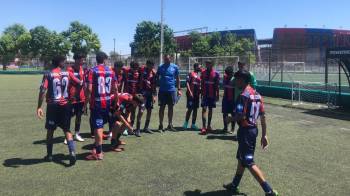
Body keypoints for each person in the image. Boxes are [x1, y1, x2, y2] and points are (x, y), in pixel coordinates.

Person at [223, 70, 278, 196]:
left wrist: (229, 119)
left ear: (243, 80)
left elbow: (241, 116)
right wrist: (264, 134)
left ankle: (268, 191)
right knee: (241, 159)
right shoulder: (258, 95)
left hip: (246, 132)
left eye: (237, 79)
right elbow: (263, 117)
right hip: (254, 130)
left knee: (248, 161)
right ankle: (234, 185)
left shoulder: (243, 96)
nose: (236, 81)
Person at [36, 55, 82, 165]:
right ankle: (72, 153)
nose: (66, 63)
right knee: (67, 129)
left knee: (50, 130)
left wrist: (39, 107)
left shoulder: (48, 74)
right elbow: (80, 83)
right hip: (66, 104)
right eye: (64, 61)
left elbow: (43, 90)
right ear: (60, 62)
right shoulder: (68, 73)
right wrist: (74, 96)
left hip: (53, 106)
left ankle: (49, 155)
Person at [85, 51, 118, 160]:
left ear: (97, 59)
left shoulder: (92, 71)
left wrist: (86, 103)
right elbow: (115, 89)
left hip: (97, 102)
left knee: (98, 126)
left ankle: (99, 153)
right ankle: (98, 146)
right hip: (108, 101)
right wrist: (116, 101)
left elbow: (89, 89)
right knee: (101, 125)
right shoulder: (111, 71)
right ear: (104, 60)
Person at [156, 54, 182, 132]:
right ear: (164, 59)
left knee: (171, 107)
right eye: (165, 59)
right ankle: (160, 125)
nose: (166, 60)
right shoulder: (160, 67)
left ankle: (170, 125)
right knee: (162, 108)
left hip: (171, 90)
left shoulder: (175, 67)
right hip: (162, 91)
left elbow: (177, 78)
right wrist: (158, 83)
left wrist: (179, 89)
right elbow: (157, 76)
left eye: (168, 59)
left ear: (170, 59)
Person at [65, 53, 86, 143]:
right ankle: (67, 135)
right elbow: (72, 78)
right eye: (82, 60)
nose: (83, 61)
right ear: (77, 60)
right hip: (71, 97)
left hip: (81, 97)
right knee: (68, 116)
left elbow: (84, 81)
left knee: (79, 116)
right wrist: (80, 82)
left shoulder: (82, 69)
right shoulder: (70, 69)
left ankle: (77, 134)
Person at [122, 61, 143, 137]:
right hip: (128, 96)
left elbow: (144, 67)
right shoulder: (127, 72)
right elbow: (122, 67)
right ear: (131, 68)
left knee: (138, 111)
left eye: (137, 69)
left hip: (136, 96)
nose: (136, 71)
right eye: (135, 69)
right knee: (128, 112)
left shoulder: (139, 73)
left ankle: (135, 129)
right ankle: (127, 128)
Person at [200, 60, 220, 135]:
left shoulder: (216, 74)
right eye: (206, 64)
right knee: (204, 109)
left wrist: (217, 95)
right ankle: (203, 127)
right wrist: (201, 92)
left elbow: (217, 85)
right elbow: (202, 83)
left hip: (212, 95)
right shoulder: (203, 72)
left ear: (212, 65)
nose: (207, 65)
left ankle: (209, 126)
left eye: (209, 64)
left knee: (210, 109)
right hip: (205, 94)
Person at [182, 63, 201, 130]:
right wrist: (190, 92)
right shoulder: (191, 73)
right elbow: (187, 83)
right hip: (191, 95)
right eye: (199, 66)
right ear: (196, 67)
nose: (200, 67)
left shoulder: (199, 75)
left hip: (197, 95)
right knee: (190, 109)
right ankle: (185, 123)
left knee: (195, 109)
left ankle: (193, 124)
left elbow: (199, 85)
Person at [140, 60, 157, 134]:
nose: (151, 67)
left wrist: (154, 95)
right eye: (150, 65)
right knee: (141, 110)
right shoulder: (142, 70)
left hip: (150, 94)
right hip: (143, 94)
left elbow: (154, 85)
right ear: (147, 65)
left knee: (149, 110)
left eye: (152, 65)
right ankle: (137, 129)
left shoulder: (153, 73)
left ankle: (146, 127)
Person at [222, 65, 236, 134]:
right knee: (225, 113)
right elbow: (224, 86)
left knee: (233, 114)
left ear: (232, 73)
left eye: (229, 74)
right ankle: (225, 127)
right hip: (225, 99)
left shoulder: (235, 79)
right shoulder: (225, 77)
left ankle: (232, 129)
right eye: (226, 74)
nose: (227, 75)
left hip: (233, 100)